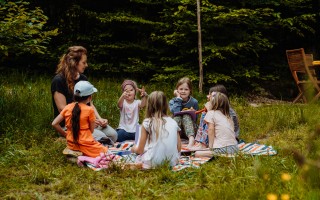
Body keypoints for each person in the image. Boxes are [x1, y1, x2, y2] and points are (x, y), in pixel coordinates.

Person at [51, 46, 117, 143]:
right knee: (103, 138)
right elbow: (63, 110)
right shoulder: (58, 81)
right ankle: (66, 139)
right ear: (74, 63)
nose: (86, 65)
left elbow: (90, 104)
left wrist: (99, 119)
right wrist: (88, 122)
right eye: (84, 62)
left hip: (87, 121)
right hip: (70, 125)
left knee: (113, 135)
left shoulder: (83, 78)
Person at [52, 81, 108, 157]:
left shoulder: (68, 107)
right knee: (106, 151)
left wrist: (65, 134)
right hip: (85, 143)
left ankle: (75, 154)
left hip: (71, 144)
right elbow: (91, 131)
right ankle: (82, 155)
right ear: (89, 98)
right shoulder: (89, 110)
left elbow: (54, 123)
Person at [131, 91, 181, 169]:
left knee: (137, 154)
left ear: (149, 106)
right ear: (166, 105)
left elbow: (140, 151)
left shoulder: (147, 122)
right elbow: (179, 148)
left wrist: (134, 148)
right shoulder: (173, 122)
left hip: (153, 162)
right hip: (172, 162)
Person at [192, 84, 240, 150]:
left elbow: (219, 128)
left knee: (209, 120)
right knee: (205, 115)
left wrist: (209, 111)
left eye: (210, 95)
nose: (207, 96)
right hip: (219, 137)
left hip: (226, 140)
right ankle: (201, 141)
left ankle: (203, 144)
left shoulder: (228, 111)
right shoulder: (215, 110)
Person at [169, 77, 199, 148]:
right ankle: (173, 139)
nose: (183, 91)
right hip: (178, 131)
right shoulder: (172, 101)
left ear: (190, 90)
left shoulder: (194, 102)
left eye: (186, 89)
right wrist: (178, 98)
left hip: (190, 129)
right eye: (181, 89)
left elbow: (196, 119)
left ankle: (191, 140)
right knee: (177, 116)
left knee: (186, 115)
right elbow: (175, 111)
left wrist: (192, 113)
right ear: (177, 90)